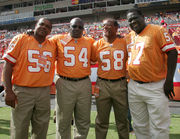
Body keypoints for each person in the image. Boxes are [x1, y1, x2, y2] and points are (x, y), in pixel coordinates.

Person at [125, 8, 178, 139]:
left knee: (159, 125)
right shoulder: (129, 37)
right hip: (134, 86)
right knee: (139, 126)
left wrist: (169, 80)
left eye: (135, 18)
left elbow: (172, 52)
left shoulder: (157, 30)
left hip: (155, 85)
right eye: (129, 20)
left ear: (143, 17)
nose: (133, 22)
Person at [2, 18, 57, 139]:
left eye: (47, 26)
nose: (44, 27)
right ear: (35, 26)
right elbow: (8, 64)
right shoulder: (22, 39)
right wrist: (8, 90)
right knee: (20, 128)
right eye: (41, 24)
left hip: (43, 91)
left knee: (41, 128)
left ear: (50, 31)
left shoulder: (52, 44)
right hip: (22, 90)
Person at [50, 17, 95, 139]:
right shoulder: (57, 39)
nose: (77, 29)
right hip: (65, 82)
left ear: (83, 29)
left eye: (80, 27)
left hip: (84, 82)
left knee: (83, 119)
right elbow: (42, 45)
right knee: (63, 120)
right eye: (74, 26)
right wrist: (31, 35)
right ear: (69, 27)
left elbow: (97, 56)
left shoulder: (89, 41)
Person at [91, 18, 129, 139]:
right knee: (101, 120)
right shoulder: (97, 44)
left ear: (116, 28)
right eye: (104, 26)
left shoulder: (124, 42)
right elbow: (91, 60)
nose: (105, 28)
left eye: (109, 25)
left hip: (120, 83)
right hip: (102, 84)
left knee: (122, 120)